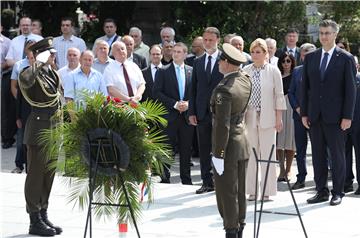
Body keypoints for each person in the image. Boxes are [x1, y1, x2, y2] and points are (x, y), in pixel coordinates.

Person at [301, 19, 357, 206]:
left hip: (337, 118)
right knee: (317, 155)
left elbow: (350, 91)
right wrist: (304, 114)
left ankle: (338, 191)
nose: (323, 36)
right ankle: (321, 190)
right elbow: (305, 88)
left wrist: (347, 117)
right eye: (321, 33)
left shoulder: (346, 58)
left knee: (337, 155)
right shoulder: (311, 58)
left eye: (327, 33)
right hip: (315, 116)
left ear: (335, 34)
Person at [18, 37, 63, 236]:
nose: (53, 56)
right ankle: (33, 219)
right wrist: (38, 62)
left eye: (52, 53)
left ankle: (43, 212)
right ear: (38, 55)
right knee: (36, 176)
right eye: (49, 53)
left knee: (48, 175)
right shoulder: (30, 72)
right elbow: (26, 82)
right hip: (38, 128)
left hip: (53, 128)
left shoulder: (50, 73)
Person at [211, 43, 251, 238]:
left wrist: (218, 154)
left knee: (227, 192)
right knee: (240, 190)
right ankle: (240, 225)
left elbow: (222, 125)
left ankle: (231, 231)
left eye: (221, 60)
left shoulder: (223, 90)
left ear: (227, 63)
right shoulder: (245, 80)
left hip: (228, 146)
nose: (219, 63)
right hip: (242, 140)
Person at [244, 38, 286, 201]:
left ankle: (267, 191)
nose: (255, 55)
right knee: (251, 153)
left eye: (258, 52)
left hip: (269, 117)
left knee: (268, 154)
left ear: (265, 53)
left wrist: (279, 118)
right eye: (253, 51)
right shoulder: (245, 70)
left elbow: (279, 96)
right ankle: (252, 190)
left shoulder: (274, 71)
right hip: (250, 117)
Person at [153, 42, 194, 184]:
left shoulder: (191, 71)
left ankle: (186, 179)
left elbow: (196, 92)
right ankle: (165, 178)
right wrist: (175, 104)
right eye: (174, 51)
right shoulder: (163, 71)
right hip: (170, 116)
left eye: (178, 52)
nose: (175, 54)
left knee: (186, 149)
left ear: (185, 54)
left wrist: (188, 103)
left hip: (187, 117)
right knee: (167, 148)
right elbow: (157, 92)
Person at [189, 27, 224, 194]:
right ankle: (206, 182)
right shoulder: (197, 61)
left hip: (221, 112)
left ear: (218, 40)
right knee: (203, 149)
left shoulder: (226, 60)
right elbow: (193, 89)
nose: (207, 43)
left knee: (220, 148)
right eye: (205, 40)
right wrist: (192, 112)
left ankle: (221, 182)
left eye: (211, 40)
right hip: (202, 113)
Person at [288, 43, 317, 190]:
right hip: (299, 116)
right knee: (300, 149)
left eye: (310, 53)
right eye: (304, 53)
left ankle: (319, 179)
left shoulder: (319, 71)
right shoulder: (297, 71)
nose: (306, 56)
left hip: (316, 116)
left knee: (319, 149)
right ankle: (301, 178)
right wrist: (298, 108)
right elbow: (291, 92)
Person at [10, 40, 36, 174]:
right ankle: (19, 165)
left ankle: (32, 167)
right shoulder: (23, 71)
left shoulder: (43, 71)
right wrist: (18, 116)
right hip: (24, 112)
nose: (32, 60)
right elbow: (18, 95)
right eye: (31, 57)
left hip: (37, 113)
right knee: (21, 140)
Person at [276, 52, 296, 182]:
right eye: (284, 61)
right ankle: (281, 170)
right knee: (279, 141)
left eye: (288, 61)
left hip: (291, 107)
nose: (286, 64)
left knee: (290, 140)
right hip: (278, 107)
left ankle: (288, 169)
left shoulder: (296, 75)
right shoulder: (276, 75)